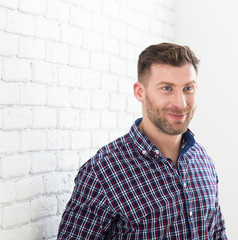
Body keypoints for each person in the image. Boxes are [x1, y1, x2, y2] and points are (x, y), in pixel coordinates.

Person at [57, 42, 227, 239]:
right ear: (140, 92)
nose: (180, 103)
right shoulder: (102, 172)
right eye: (166, 88)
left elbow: (217, 233)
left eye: (188, 88)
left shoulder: (201, 159)